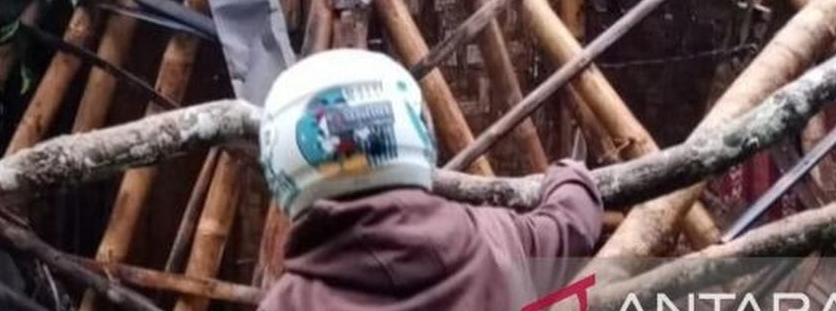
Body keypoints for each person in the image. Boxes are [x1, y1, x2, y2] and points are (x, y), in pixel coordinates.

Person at [257, 49, 603, 311]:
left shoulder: (286, 304)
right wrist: (569, 174)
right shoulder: (496, 241)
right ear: (416, 129)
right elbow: (570, 224)